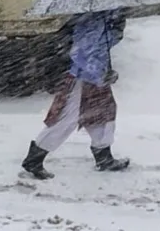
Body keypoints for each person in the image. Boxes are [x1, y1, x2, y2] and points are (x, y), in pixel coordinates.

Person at [20, 9, 130, 180]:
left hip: (95, 78)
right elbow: (80, 53)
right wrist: (100, 74)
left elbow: (104, 45)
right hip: (82, 79)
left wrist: (116, 29)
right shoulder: (91, 20)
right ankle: (34, 159)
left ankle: (104, 157)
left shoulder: (104, 18)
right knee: (67, 118)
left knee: (102, 113)